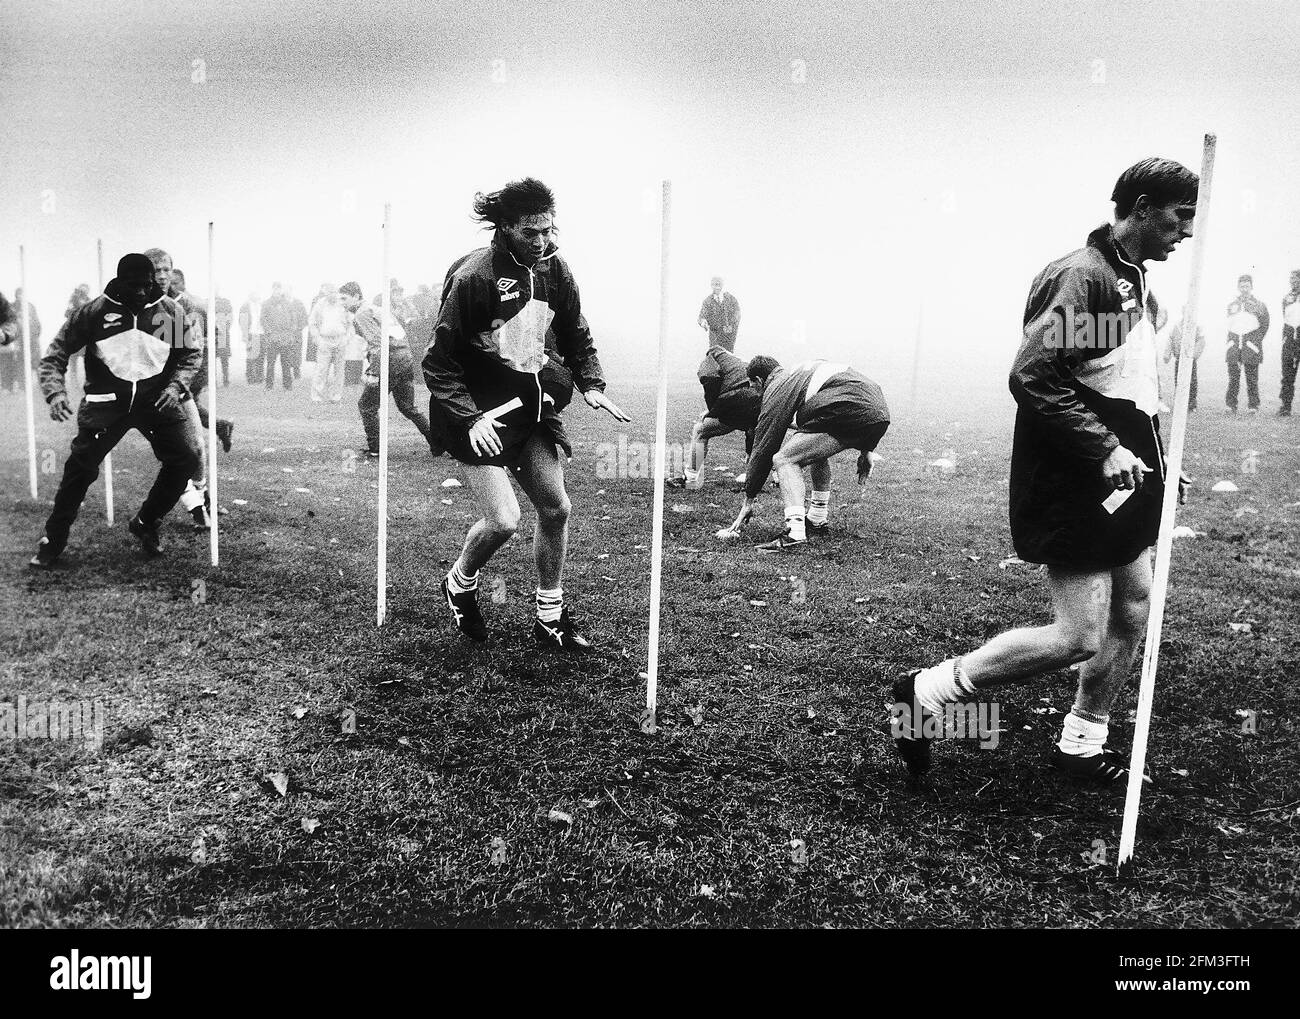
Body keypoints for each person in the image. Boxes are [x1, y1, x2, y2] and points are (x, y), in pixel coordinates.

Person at [890, 157, 1198, 785]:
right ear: (1142, 207)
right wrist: (1102, 448)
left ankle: (1081, 743)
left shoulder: (1133, 281)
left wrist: (1160, 458)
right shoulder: (1082, 279)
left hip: (1129, 467)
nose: (1187, 231)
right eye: (1180, 215)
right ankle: (923, 694)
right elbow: (1036, 377)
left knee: (1133, 609)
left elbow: (1125, 383)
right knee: (1077, 635)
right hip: (1079, 472)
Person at [425, 177, 629, 651]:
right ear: (503, 228)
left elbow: (577, 333)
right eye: (530, 232)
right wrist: (469, 416)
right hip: (479, 415)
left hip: (532, 410)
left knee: (556, 508)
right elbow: (438, 361)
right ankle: (459, 582)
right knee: (503, 520)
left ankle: (549, 616)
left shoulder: (556, 269)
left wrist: (591, 383)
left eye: (548, 230)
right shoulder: (475, 276)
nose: (542, 241)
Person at [28, 253, 201, 567]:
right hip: (106, 404)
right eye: (134, 287)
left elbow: (190, 354)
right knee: (79, 470)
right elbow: (56, 353)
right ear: (119, 283)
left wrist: (175, 387)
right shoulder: (95, 313)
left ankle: (146, 522)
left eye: (146, 286)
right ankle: (52, 541)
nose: (141, 293)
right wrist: (55, 393)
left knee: (186, 458)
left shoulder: (166, 312)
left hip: (155, 403)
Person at [721, 356, 889, 550]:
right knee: (812, 450)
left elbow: (764, 446)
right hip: (878, 410)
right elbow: (864, 398)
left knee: (784, 459)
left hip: (849, 406)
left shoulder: (778, 385)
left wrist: (748, 499)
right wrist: (867, 449)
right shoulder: (799, 372)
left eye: (753, 387)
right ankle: (817, 518)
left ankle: (795, 533)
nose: (755, 393)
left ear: (759, 380)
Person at [338, 282, 430, 454]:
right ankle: (438, 443)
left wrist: (373, 372)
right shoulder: (377, 309)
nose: (342, 303)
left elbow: (378, 344)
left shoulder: (362, 313)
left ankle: (375, 448)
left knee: (366, 405)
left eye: (344, 298)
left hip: (391, 359)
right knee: (408, 408)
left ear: (356, 296)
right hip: (405, 356)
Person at [668, 345, 760, 489]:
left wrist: (712, 410)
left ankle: (690, 476)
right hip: (760, 400)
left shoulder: (711, 358)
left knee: (701, 430)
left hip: (735, 400)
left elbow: (710, 379)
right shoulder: (738, 360)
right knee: (758, 433)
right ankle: (771, 476)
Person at [1224, 273, 1269, 414]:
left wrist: (1255, 339)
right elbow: (1229, 324)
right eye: (1242, 286)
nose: (1244, 289)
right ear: (1238, 287)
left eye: (1247, 286)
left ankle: (1253, 406)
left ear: (1251, 287)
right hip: (1234, 344)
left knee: (1252, 378)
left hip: (1251, 345)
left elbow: (1265, 325)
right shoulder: (1232, 305)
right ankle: (1231, 405)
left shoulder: (1259, 305)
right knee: (1233, 377)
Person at [308, 283, 351, 404]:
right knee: (321, 369)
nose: (331, 295)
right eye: (329, 292)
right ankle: (317, 396)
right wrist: (317, 339)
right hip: (325, 340)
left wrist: (346, 339)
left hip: (340, 340)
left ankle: (336, 396)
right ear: (325, 293)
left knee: (339, 370)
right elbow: (312, 323)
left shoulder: (343, 304)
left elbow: (350, 324)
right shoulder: (320, 305)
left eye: (334, 292)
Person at [0, 287, 40, 393]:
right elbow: (8, 322)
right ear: (16, 295)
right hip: (15, 341)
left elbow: (36, 323)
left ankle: (27, 386)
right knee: (10, 364)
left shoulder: (30, 306)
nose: (21, 296)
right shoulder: (11, 307)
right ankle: (8, 387)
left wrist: (35, 335)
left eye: (23, 294)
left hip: (30, 341)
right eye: (19, 294)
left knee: (31, 363)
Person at [1160, 316, 1204, 411]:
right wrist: (1167, 355)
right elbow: (1170, 340)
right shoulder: (1177, 327)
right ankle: (1180, 402)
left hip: (1191, 359)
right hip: (1179, 358)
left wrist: (1193, 355)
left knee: (1192, 381)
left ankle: (1191, 404)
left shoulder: (1196, 327)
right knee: (1179, 381)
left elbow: (1201, 341)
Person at [261, 282, 297, 390]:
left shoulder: (287, 303)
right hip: (273, 338)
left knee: (286, 363)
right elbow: (263, 319)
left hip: (285, 338)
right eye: (275, 289)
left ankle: (288, 386)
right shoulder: (266, 303)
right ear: (272, 290)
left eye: (279, 289)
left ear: (281, 290)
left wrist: (291, 334)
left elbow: (293, 320)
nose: (277, 291)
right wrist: (270, 333)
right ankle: (269, 386)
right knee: (270, 363)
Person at [697, 276, 741, 352]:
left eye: (719, 284)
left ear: (722, 285)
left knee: (728, 357)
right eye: (715, 284)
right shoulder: (707, 301)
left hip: (729, 337)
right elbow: (702, 316)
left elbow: (737, 314)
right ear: (711, 286)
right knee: (715, 356)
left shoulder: (731, 299)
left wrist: (731, 326)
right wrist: (703, 322)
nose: (717, 287)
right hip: (715, 336)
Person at [1279, 270, 1300, 416]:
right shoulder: (1287, 298)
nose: (1292, 281)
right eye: (1291, 278)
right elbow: (1285, 316)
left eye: (1295, 278)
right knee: (1287, 375)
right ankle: (1285, 407)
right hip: (1290, 340)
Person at [239, 290, 266, 385]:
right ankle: (250, 378)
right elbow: (242, 322)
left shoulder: (262, 305)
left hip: (261, 334)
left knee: (261, 357)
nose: (256, 296)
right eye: (255, 293)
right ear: (250, 295)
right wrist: (245, 336)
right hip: (251, 334)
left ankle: (260, 377)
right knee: (251, 357)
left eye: (258, 294)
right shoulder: (245, 307)